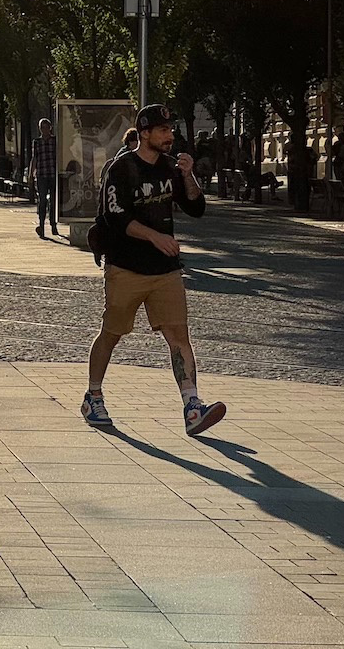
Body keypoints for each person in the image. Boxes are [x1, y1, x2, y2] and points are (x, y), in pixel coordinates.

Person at [81, 104, 225, 438]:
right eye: (162, 130)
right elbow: (116, 218)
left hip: (165, 270)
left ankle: (192, 407)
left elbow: (196, 208)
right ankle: (93, 396)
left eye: (170, 130)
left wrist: (188, 175)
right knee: (111, 333)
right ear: (144, 133)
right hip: (126, 267)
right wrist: (154, 236)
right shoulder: (121, 169)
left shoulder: (171, 168)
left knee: (179, 337)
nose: (169, 136)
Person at [28, 118, 59, 238]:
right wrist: (31, 174)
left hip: (53, 174)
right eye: (42, 128)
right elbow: (34, 158)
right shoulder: (37, 142)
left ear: (50, 128)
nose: (44, 130)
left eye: (46, 127)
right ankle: (41, 224)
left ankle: (53, 224)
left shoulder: (55, 141)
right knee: (42, 200)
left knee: (54, 200)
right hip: (41, 174)